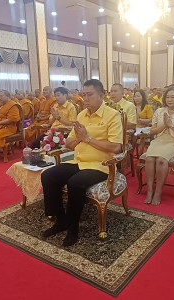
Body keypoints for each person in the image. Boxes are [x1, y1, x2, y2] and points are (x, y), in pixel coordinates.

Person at [41, 79, 123, 247]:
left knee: (75, 183)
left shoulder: (112, 115)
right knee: (49, 175)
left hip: (100, 164)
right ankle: (61, 221)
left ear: (101, 95)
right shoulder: (81, 115)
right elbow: (69, 143)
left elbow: (116, 147)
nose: (85, 98)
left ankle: (73, 229)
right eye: (83, 95)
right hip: (78, 161)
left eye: (89, 95)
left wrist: (87, 138)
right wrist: (78, 139)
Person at [144, 86, 174, 205]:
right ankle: (150, 190)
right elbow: (153, 131)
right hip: (160, 139)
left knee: (161, 160)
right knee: (149, 159)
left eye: (173, 97)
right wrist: (164, 125)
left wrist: (171, 125)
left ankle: (158, 191)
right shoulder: (159, 111)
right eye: (167, 97)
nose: (169, 99)